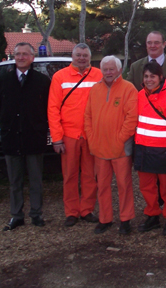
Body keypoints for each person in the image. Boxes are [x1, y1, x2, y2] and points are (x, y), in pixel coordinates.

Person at [0, 42, 51, 231]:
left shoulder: (42, 81)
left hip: (34, 137)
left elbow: (47, 109)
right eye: (18, 54)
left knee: (36, 180)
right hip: (11, 138)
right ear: (14, 56)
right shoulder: (4, 79)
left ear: (32, 57)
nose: (21, 57)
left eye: (25, 54)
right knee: (14, 181)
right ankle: (16, 215)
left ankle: (36, 214)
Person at [48, 43, 103, 227]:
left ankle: (87, 209)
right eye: (78, 55)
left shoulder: (98, 75)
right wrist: (56, 138)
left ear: (90, 57)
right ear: (72, 56)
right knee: (70, 175)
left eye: (85, 56)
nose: (81, 58)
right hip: (69, 135)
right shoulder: (59, 77)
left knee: (90, 175)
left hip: (90, 135)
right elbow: (53, 109)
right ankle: (71, 212)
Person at [84, 56, 138, 234]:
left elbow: (131, 118)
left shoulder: (128, 89)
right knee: (102, 186)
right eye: (105, 69)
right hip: (99, 148)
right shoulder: (94, 89)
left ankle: (125, 219)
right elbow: (88, 117)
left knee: (124, 184)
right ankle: (105, 219)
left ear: (119, 70)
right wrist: (91, 139)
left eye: (111, 69)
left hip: (121, 148)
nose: (108, 72)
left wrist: (120, 138)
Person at [134, 61, 166, 235]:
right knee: (147, 186)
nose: (149, 80)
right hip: (143, 148)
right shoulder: (139, 96)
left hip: (165, 149)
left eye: (152, 76)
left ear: (160, 77)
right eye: (146, 76)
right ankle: (152, 214)